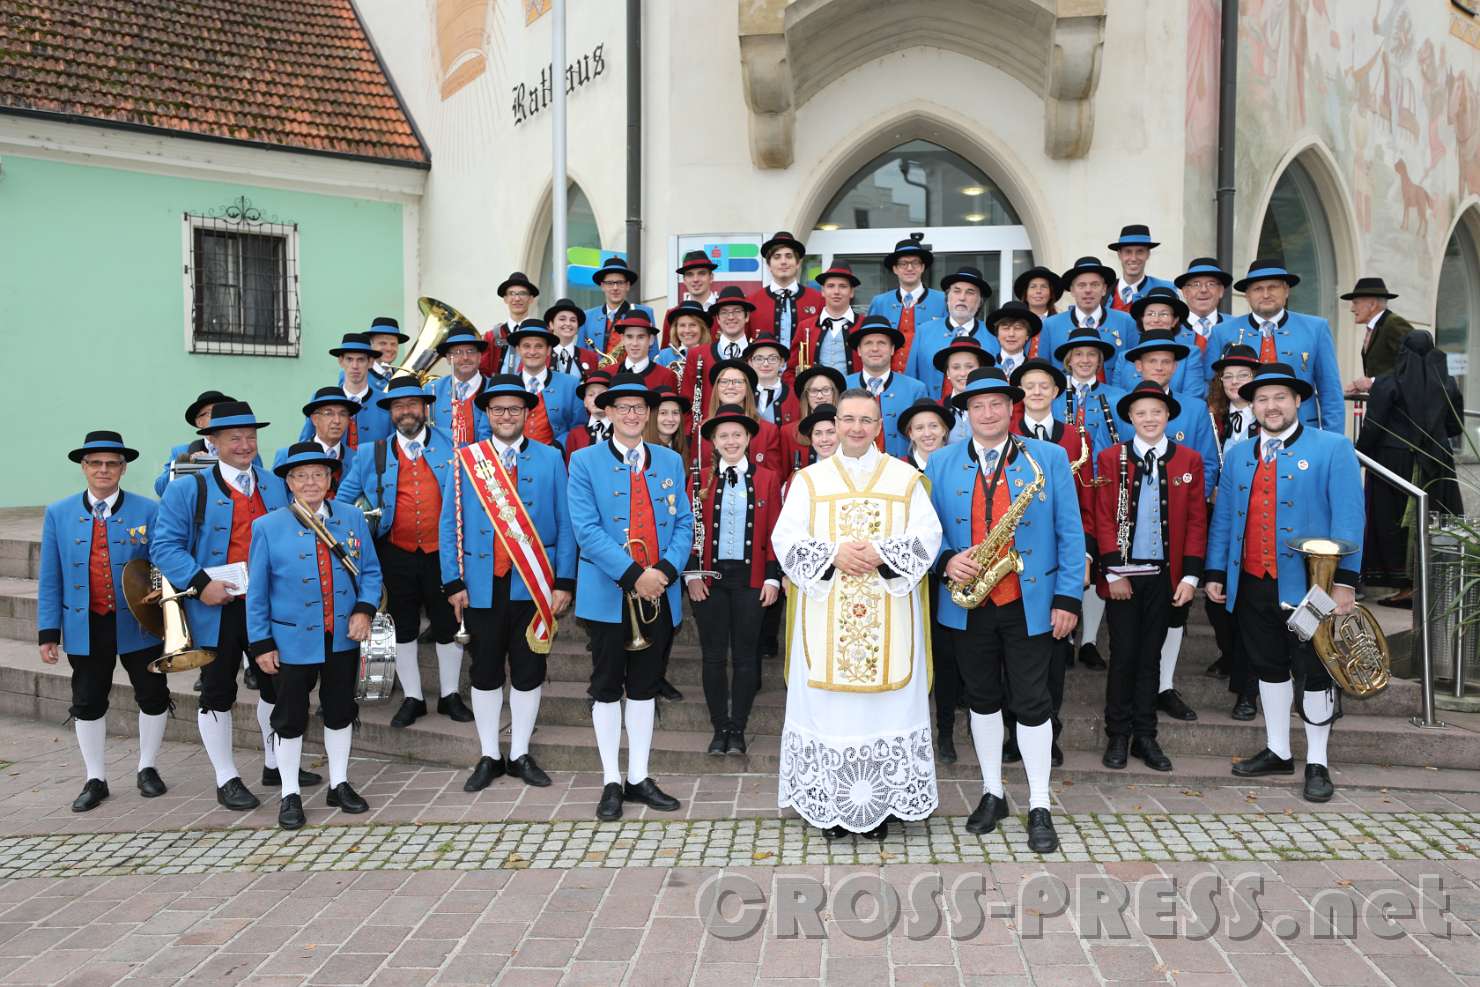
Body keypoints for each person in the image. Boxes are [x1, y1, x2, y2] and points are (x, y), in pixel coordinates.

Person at [925, 368, 1084, 853]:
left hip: (1030, 601)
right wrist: (944, 561)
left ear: (1012, 407)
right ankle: (993, 792)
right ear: (966, 413)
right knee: (981, 698)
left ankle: (1040, 803)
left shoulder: (1049, 457)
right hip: (968, 602)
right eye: (977, 406)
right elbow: (925, 533)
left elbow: (1070, 531)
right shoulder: (942, 461)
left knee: (1034, 701)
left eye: (996, 403)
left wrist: (1069, 597)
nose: (988, 413)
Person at [773, 388, 943, 840]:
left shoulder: (903, 479)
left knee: (882, 716)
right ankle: (829, 804)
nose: (855, 428)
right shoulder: (810, 480)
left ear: (879, 426)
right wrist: (833, 554)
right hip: (826, 618)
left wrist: (881, 555)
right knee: (832, 716)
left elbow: (928, 536)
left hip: (889, 615)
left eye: (866, 420)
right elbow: (786, 540)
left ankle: (880, 807)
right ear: (835, 422)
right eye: (848, 419)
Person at [1205, 363, 1364, 803]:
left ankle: (1317, 760)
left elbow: (1350, 516)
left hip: (1314, 585)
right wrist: (1217, 572)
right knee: (1268, 667)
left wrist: (1345, 583)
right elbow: (1223, 520)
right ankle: (1278, 749)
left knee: (1314, 671)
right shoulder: (1238, 455)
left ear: (1297, 401)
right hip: (1254, 580)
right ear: (1251, 405)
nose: (1271, 406)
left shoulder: (1332, 447)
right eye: (1262, 399)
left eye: (1280, 397)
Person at [151, 402, 293, 811]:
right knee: (217, 691)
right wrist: (201, 584)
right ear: (212, 442)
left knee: (276, 683)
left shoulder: (273, 484)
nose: (245, 444)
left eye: (250, 436)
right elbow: (164, 546)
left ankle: (274, 763)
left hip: (266, 605)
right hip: (217, 606)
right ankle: (225, 775)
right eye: (234, 437)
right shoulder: (187, 488)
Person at [567, 374, 694, 821]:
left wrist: (663, 572)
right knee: (605, 687)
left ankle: (639, 776)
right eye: (623, 407)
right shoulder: (583, 462)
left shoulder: (670, 461)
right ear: (607, 412)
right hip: (608, 591)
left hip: (658, 592)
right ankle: (610, 779)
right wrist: (633, 574)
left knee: (643, 687)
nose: (633, 414)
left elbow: (684, 525)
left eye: (641, 407)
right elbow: (585, 529)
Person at [442, 377, 576, 792]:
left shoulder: (551, 458)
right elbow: (450, 524)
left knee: (529, 669)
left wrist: (564, 581)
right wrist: (452, 581)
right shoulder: (468, 459)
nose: (505, 416)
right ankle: (489, 754)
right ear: (487, 414)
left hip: (533, 583)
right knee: (483, 671)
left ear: (527, 414)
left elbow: (567, 524)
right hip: (482, 584)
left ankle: (519, 753)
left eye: (514, 410)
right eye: (498, 410)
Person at [248, 443, 382, 829]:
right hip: (290, 641)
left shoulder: (352, 518)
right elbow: (256, 593)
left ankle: (338, 783)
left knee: (341, 711)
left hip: (341, 636)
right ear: (289, 482)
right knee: (289, 718)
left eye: (319, 474)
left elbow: (370, 572)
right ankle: (289, 791)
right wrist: (261, 643)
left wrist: (364, 609)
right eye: (301, 475)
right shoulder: (268, 527)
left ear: (330, 479)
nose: (311, 482)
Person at [39, 431, 170, 812]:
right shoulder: (58, 513)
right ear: (83, 467)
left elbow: (162, 561)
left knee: (153, 693)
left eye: (112, 463)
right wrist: (49, 632)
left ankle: (148, 767)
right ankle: (95, 776)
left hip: (139, 621)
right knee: (88, 700)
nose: (103, 470)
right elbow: (51, 576)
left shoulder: (149, 510)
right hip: (86, 622)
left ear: (123, 468)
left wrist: (159, 589)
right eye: (95, 463)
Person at [335, 378, 468, 728]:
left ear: (424, 408)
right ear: (390, 412)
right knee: (403, 626)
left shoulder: (455, 448)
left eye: (412, 404)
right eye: (398, 406)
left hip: (444, 554)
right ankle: (413, 697)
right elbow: (343, 505)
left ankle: (450, 694)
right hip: (394, 552)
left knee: (448, 623)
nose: (406, 411)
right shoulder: (370, 453)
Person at [1094, 382, 1208, 774]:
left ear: (1168, 416)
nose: (1148, 419)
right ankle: (1118, 733)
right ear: (1129, 417)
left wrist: (1190, 576)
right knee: (1123, 654)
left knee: (1151, 657)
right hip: (1124, 575)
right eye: (1141, 413)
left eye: (1156, 412)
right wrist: (1114, 572)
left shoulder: (1188, 459)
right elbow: (1103, 516)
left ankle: (1146, 734)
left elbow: (1196, 520)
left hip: (1166, 574)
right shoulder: (1111, 457)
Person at [1112, 331, 1219, 721]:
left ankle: (1164, 686)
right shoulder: (1122, 410)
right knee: (1128, 650)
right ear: (1138, 365)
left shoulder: (1193, 408)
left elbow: (1206, 463)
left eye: (1166, 361)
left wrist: (1183, 493)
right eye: (1151, 361)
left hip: (1170, 540)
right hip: (1130, 550)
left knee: (1171, 622)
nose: (1159, 367)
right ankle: (1126, 721)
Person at [1010, 358, 1095, 763]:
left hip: (1058, 557)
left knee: (1053, 658)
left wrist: (1085, 554)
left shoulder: (1074, 438)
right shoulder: (1004, 436)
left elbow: (1086, 501)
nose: (1038, 392)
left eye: (1045, 385)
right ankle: (1015, 733)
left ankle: (1051, 730)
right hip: (1013, 562)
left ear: (1058, 392)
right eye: (1029, 385)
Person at [687, 405, 782, 755]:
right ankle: (719, 727)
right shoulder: (698, 478)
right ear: (713, 440)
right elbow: (690, 529)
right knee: (712, 656)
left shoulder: (768, 478)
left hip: (751, 579)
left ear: (748, 438)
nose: (731, 441)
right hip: (709, 580)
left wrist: (772, 578)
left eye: (737, 435)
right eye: (723, 435)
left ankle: (738, 727)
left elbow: (774, 529)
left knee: (745, 656)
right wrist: (692, 574)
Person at [1357, 330, 1464, 606]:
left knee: (1394, 523)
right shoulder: (1448, 383)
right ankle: (1425, 585)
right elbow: (1454, 426)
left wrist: (1358, 453)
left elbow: (1374, 425)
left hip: (1395, 462)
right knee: (1431, 520)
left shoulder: (1387, 382)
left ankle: (1405, 587)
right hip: (1436, 461)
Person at [1051, 327, 1126, 672]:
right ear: (1068, 359)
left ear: (1100, 361)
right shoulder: (1052, 397)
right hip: (1065, 489)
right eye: (1078, 355)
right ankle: (1064, 638)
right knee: (1067, 557)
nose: (1084, 360)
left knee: (1097, 557)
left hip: (1104, 488)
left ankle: (1091, 640)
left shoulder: (1117, 396)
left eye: (1091, 355)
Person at [897, 399, 963, 763]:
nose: (927, 433)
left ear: (945, 431)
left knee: (947, 655)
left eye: (934, 426)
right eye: (919, 428)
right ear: (910, 434)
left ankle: (946, 732)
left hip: (948, 575)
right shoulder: (899, 472)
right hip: (909, 578)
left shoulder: (959, 469)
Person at [1204, 259, 1344, 432]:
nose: (1265, 294)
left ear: (1286, 291)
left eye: (1273, 287)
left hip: (1302, 430)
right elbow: (1211, 389)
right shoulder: (1222, 332)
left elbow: (1330, 390)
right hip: (1239, 432)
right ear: (1247, 295)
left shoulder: (1316, 328)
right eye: (1258, 289)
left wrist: (1333, 439)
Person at [1203, 344, 1261, 719]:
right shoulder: (1215, 417)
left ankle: (1247, 688)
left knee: (1249, 606)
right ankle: (1229, 653)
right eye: (1229, 377)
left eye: (1243, 376)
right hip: (1219, 513)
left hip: (1257, 517)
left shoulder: (1267, 417)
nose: (1235, 382)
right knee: (1215, 597)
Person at [1041, 257, 1140, 380]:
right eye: (1081, 285)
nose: (1088, 290)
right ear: (1072, 290)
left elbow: (1133, 369)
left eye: (1095, 285)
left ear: (1104, 289)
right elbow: (1044, 372)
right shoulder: (1050, 325)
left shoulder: (1126, 321)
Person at [846, 315, 929, 458]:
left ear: (892, 349)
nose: (875, 349)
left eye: (882, 343)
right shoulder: (842, 386)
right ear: (859, 350)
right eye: (868, 343)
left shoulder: (916, 389)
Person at [908, 265, 996, 397]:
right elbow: (911, 380)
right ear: (947, 297)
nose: (962, 297)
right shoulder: (924, 331)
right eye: (956, 291)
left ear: (980, 301)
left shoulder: (993, 335)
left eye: (970, 292)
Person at [865, 233, 947, 371]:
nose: (910, 268)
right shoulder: (880, 302)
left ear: (922, 267)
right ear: (895, 269)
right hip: (888, 378)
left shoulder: (942, 300)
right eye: (903, 264)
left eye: (915, 263)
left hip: (929, 375)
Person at [299, 334, 393, 449]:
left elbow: (393, 448)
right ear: (341, 361)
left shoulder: (386, 402)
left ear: (370, 363)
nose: (355, 366)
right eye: (349, 359)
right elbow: (305, 444)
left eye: (361, 360)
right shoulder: (321, 399)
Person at [1117, 286, 1207, 402]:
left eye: (1164, 314)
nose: (1156, 320)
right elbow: (1118, 398)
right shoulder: (1124, 357)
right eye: (1150, 314)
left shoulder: (1190, 354)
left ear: (1174, 320)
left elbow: (1192, 399)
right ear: (1142, 319)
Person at [505, 319, 585, 447]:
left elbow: (579, 427)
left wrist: (559, 447)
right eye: (526, 346)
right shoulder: (505, 384)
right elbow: (488, 429)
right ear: (518, 350)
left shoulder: (570, 384)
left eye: (539, 346)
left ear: (548, 350)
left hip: (555, 459)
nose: (532, 352)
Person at [697, 359, 783, 472]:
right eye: (724, 381)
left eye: (738, 382)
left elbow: (774, 478)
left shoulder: (768, 431)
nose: (730, 387)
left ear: (747, 388)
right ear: (716, 388)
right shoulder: (702, 427)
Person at [154, 390, 238, 495]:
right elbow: (161, 489)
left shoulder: (244, 448)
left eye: (223, 412)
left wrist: (213, 465)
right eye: (212, 412)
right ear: (199, 422)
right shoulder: (183, 451)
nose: (219, 416)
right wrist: (182, 466)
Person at [277, 387, 359, 495]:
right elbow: (277, 498)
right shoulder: (287, 456)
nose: (337, 421)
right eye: (329, 413)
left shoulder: (357, 459)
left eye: (343, 414)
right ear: (314, 419)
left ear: (349, 420)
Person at [748, 230, 823, 348]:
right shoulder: (752, 302)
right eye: (777, 257)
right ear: (769, 265)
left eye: (789, 256)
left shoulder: (818, 300)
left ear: (798, 263)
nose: (783, 262)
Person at [790, 262, 858, 377]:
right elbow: (791, 370)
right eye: (830, 286)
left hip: (853, 394)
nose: (836, 291)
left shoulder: (864, 325)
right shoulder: (805, 326)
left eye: (843, 286)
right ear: (823, 291)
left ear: (851, 292)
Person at [1343, 277, 1411, 392]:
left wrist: (1373, 382)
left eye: (1356, 303)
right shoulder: (1377, 327)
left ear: (1372, 304)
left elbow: (1413, 363)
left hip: (1398, 406)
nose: (1352, 309)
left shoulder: (1393, 323)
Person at [430, 327, 492, 447]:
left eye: (471, 351)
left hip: (484, 461)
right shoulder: (431, 390)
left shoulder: (493, 388)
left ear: (480, 356)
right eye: (457, 352)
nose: (465, 357)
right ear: (448, 358)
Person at [585, 256, 656, 356]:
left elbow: (653, 351)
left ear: (628, 285)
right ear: (602, 286)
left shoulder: (646, 312)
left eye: (620, 283)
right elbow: (581, 353)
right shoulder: (587, 316)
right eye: (610, 283)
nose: (615, 288)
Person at [781, 365, 845, 474]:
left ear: (835, 393)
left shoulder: (849, 427)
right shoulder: (788, 432)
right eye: (814, 391)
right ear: (806, 396)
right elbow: (785, 476)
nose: (820, 396)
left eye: (826, 390)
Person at [933, 337, 994, 440]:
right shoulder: (935, 410)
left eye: (969, 367)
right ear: (947, 372)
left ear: (980, 369)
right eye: (956, 367)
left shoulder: (995, 408)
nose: (962, 373)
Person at [481, 272, 539, 375]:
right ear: (505, 299)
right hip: (498, 389)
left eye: (522, 293)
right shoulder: (491, 336)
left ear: (531, 299)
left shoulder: (541, 334)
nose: (517, 299)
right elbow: (484, 371)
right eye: (512, 293)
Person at [1107, 225, 1176, 311]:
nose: (1133, 258)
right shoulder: (1104, 290)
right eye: (1128, 252)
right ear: (1119, 254)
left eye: (1140, 252)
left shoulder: (1167, 289)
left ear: (1148, 254)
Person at [1176, 257, 1232, 356]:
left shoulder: (1236, 327)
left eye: (1211, 284)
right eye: (1196, 284)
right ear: (1185, 292)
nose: (1203, 290)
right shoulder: (1172, 328)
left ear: (1221, 291)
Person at [610, 312, 678, 391]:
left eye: (641, 337)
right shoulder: (609, 373)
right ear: (622, 339)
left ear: (651, 339)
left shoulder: (666, 377)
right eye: (629, 337)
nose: (635, 343)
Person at [656, 300, 712, 388]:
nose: (687, 330)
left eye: (693, 325)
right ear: (676, 329)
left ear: (702, 328)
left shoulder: (712, 354)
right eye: (682, 325)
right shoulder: (663, 357)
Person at [546, 297, 601, 379]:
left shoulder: (591, 357)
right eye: (562, 319)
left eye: (573, 320)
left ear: (578, 327)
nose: (568, 323)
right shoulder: (538, 354)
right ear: (551, 324)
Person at [564, 369, 614, 461]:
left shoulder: (622, 430)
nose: (596, 399)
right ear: (585, 402)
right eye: (591, 395)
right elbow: (570, 469)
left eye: (602, 394)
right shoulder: (575, 434)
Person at [748, 336, 797, 428]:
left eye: (772, 358)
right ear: (750, 363)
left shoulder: (796, 396)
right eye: (759, 359)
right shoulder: (743, 394)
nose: (765, 364)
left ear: (782, 362)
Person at [984, 301, 1042, 377]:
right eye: (1006, 328)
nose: (1011, 334)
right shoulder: (986, 366)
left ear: (1027, 334)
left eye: (1018, 328)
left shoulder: (1036, 371)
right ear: (997, 334)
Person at [364, 316, 409, 385]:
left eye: (393, 344)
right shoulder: (358, 376)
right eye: (383, 343)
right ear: (371, 345)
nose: (389, 349)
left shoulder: (403, 376)